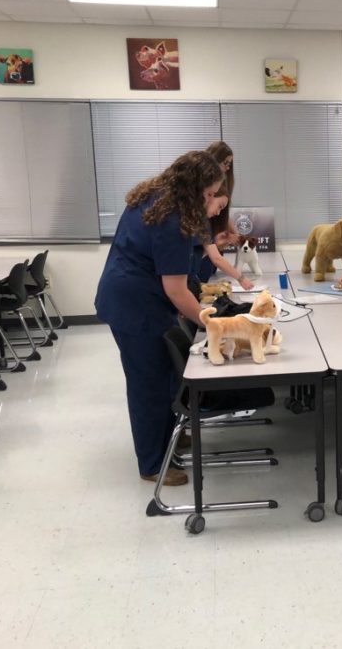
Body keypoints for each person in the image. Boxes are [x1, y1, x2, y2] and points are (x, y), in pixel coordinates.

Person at [95, 150, 226, 486]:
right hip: (135, 305)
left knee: (168, 372)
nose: (212, 200)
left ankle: (169, 436)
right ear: (193, 187)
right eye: (209, 193)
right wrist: (210, 323)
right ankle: (153, 464)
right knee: (148, 383)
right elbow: (176, 290)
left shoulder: (156, 197)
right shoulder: (173, 220)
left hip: (136, 295)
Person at [189, 141, 254, 292]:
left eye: (230, 163)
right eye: (225, 162)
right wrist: (242, 279)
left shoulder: (205, 221)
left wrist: (219, 242)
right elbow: (216, 258)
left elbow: (210, 254)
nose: (228, 167)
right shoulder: (196, 217)